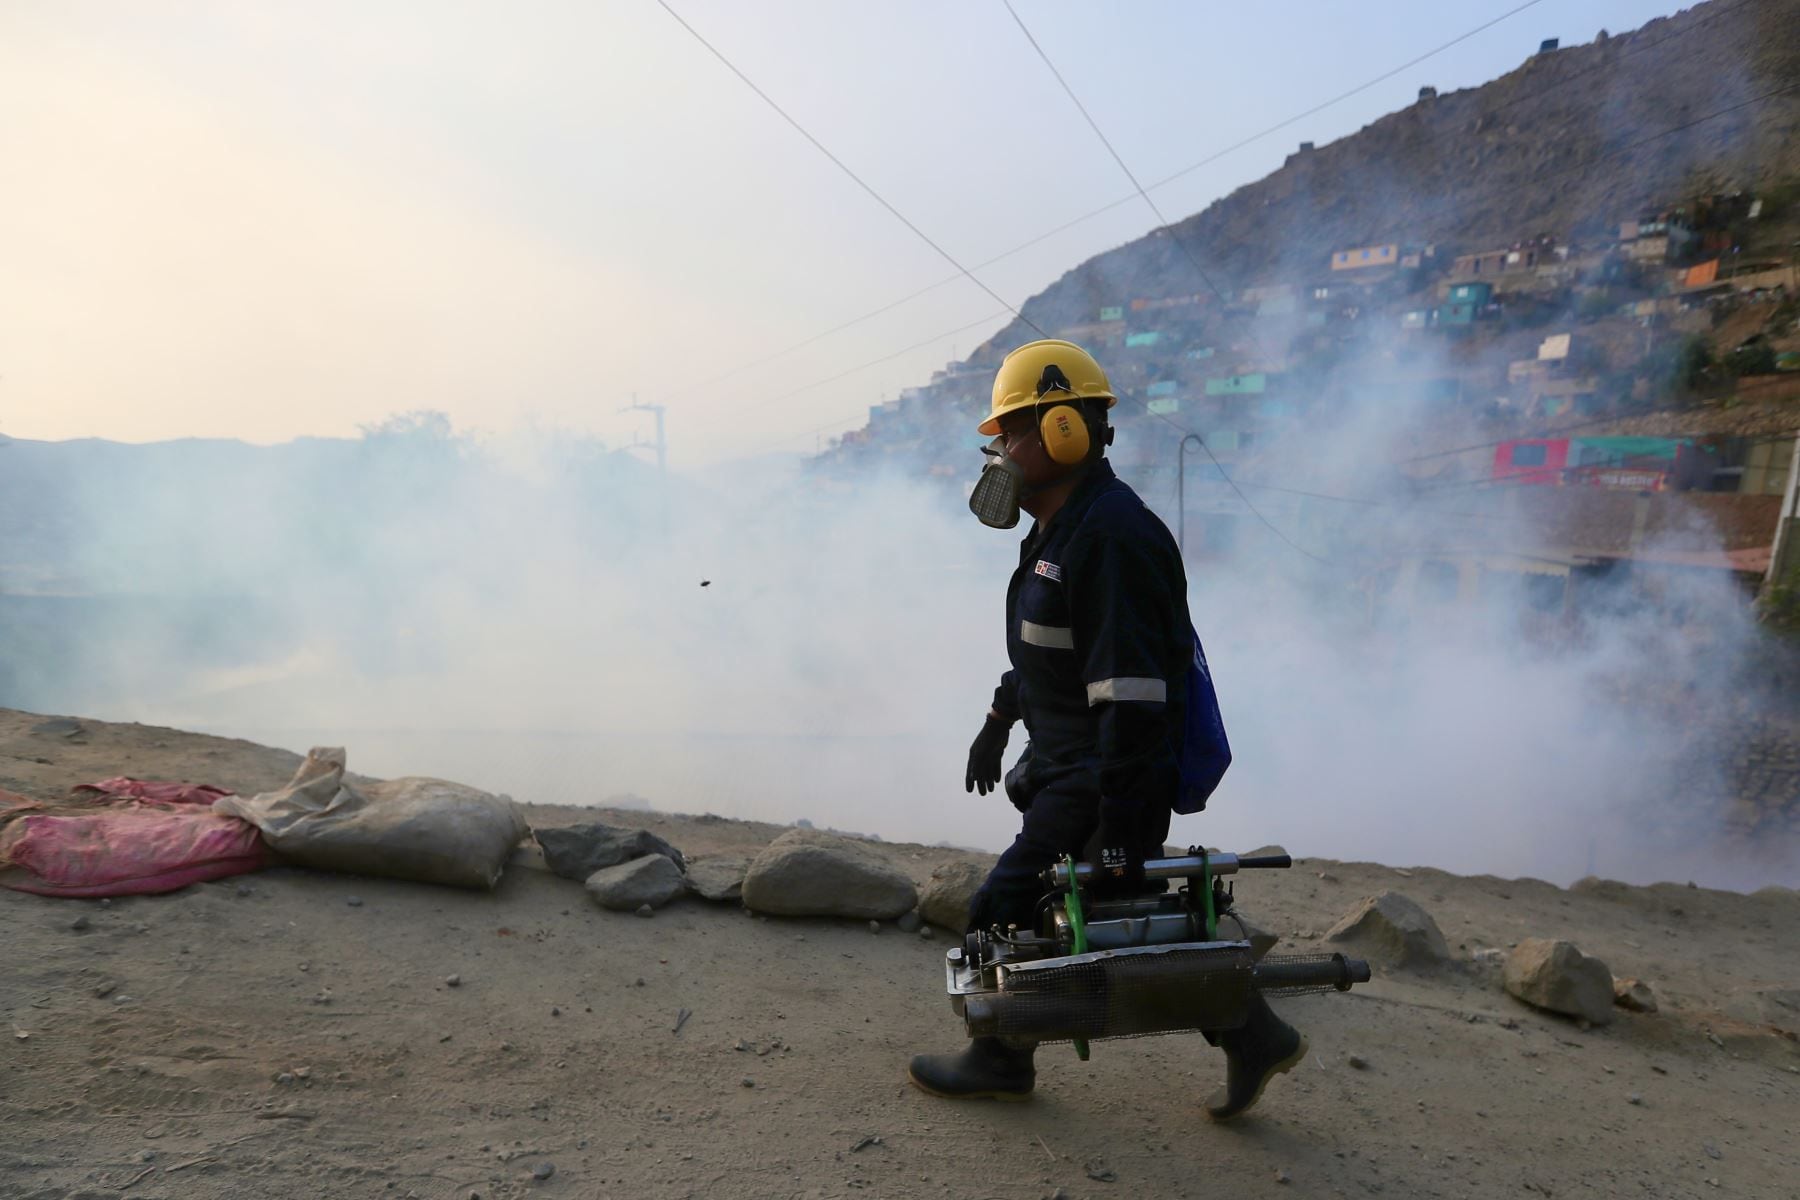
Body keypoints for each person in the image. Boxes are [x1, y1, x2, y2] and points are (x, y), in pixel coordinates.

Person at [906, 339, 1305, 1120]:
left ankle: (1000, 1060)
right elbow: (1050, 653)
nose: (998, 453)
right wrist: (998, 718)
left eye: (1009, 433)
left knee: (1004, 913)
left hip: (1100, 777)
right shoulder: (1062, 531)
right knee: (1123, 931)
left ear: (1063, 431)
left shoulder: (1113, 538)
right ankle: (1253, 1034)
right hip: (1067, 765)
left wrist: (1122, 833)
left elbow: (1132, 700)